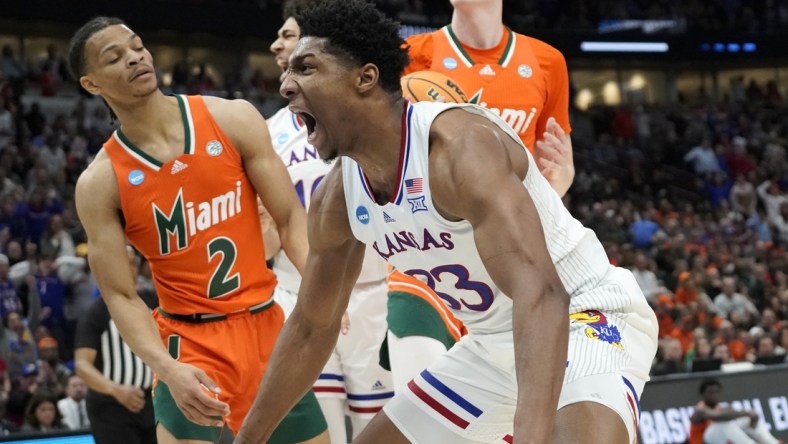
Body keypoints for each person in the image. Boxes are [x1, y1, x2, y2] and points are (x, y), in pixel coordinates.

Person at [234, 2, 658, 443]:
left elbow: (542, 293)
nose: (285, 85)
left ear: (366, 77)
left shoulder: (460, 150)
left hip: (582, 316)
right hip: (492, 345)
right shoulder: (338, 198)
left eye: (306, 68)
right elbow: (310, 327)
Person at [68, 17, 327, 443]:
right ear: (92, 85)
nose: (134, 57)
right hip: (188, 341)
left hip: (267, 327)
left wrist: (321, 294)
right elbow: (119, 293)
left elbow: (289, 218)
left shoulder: (232, 118)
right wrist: (165, 368)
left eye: (137, 46)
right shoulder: (100, 182)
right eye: (115, 57)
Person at [386, 0, 576, 392]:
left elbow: (553, 168)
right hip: (429, 257)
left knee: (508, 419)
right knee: (422, 410)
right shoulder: (414, 56)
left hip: (512, 260)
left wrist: (559, 185)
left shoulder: (547, 61)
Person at [267, 3, 393, 441]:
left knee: (380, 429)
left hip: (376, 293)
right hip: (301, 293)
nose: (276, 44)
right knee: (320, 431)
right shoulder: (266, 132)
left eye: (287, 34)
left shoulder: (370, 119)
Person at [75, 245, 157, 444]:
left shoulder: (153, 302)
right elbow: (82, 366)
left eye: (132, 263)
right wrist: (116, 390)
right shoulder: (97, 312)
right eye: (122, 263)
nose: (129, 269)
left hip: (151, 402)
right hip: (111, 405)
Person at [689, 378, 781, 444]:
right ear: (703, 394)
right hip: (703, 442)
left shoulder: (720, 408)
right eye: (711, 392)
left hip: (717, 440)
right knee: (723, 424)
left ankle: (774, 442)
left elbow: (730, 413)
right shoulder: (700, 410)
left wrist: (749, 417)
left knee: (745, 420)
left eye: (716, 392)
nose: (714, 395)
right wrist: (747, 413)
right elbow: (718, 416)